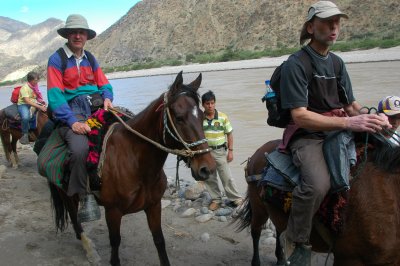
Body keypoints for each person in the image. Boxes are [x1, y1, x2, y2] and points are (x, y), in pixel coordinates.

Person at [277, 1, 391, 265]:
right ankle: (296, 239)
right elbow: (300, 115)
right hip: (308, 135)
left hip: (340, 126)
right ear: (310, 27)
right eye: (328, 21)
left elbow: (351, 105)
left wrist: (371, 118)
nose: (334, 27)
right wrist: (349, 123)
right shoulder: (296, 64)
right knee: (317, 184)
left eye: (337, 22)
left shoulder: (337, 63)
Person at [47, 14, 113, 218]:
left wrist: (108, 98)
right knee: (80, 148)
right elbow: (55, 96)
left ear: (86, 36)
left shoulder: (90, 58)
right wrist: (72, 122)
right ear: (67, 35)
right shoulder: (57, 59)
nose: (77, 36)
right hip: (72, 110)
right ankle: (83, 194)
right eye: (73, 32)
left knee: (126, 129)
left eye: (81, 32)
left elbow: (105, 84)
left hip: (95, 106)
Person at [201, 90, 243, 211]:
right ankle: (216, 200)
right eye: (207, 103)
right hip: (206, 153)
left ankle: (235, 198)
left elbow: (229, 134)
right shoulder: (200, 118)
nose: (210, 106)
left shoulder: (222, 117)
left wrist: (231, 151)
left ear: (215, 103)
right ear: (203, 104)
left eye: (212, 103)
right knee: (209, 177)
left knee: (226, 176)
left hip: (220, 151)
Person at [17, 71, 47, 145]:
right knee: (25, 117)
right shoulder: (24, 88)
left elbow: (36, 96)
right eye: (36, 80)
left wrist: (41, 102)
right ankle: (25, 134)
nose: (37, 81)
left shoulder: (35, 86)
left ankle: (36, 129)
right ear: (30, 80)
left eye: (37, 80)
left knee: (46, 111)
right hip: (24, 104)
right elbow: (27, 101)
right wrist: (39, 106)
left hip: (33, 102)